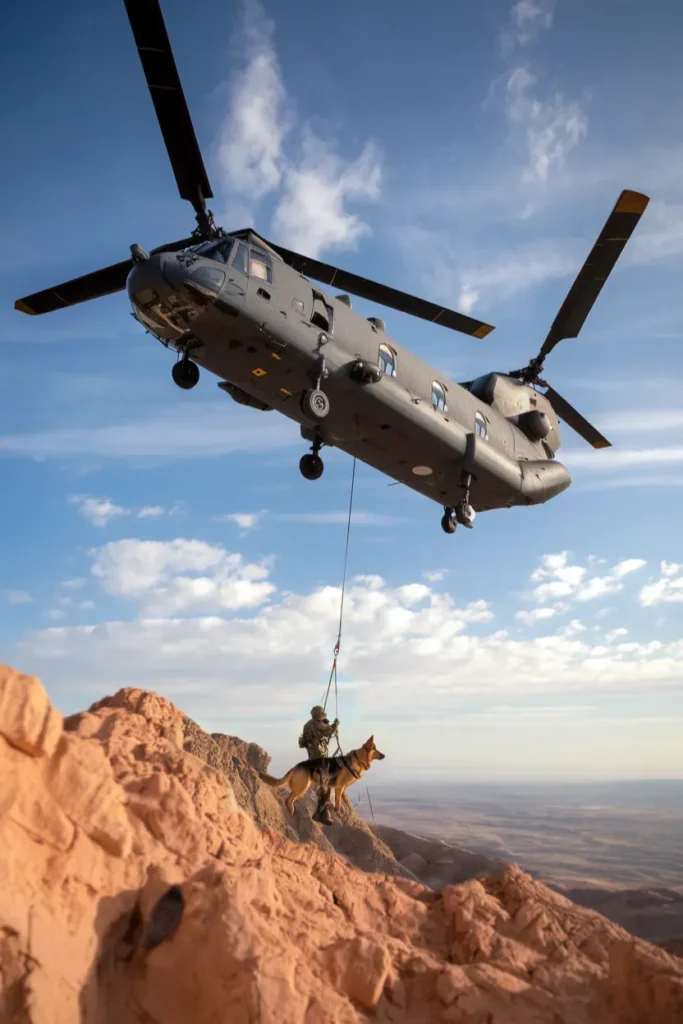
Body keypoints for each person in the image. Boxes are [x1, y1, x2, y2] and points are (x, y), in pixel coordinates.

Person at [299, 705, 339, 825]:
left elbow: (304, 741)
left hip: (312, 759)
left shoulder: (307, 725)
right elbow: (330, 732)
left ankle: (321, 812)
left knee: (324, 786)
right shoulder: (318, 725)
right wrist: (335, 724)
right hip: (320, 760)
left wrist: (325, 724)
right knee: (326, 785)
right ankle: (321, 812)